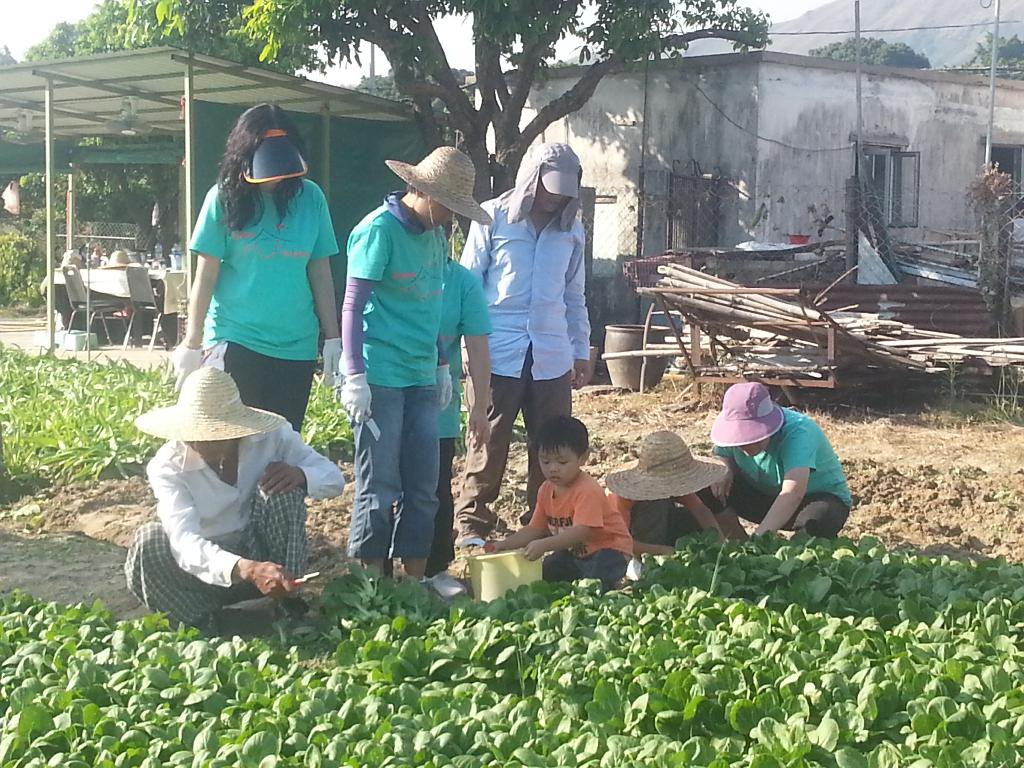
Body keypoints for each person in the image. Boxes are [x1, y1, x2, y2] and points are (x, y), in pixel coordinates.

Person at [337, 146, 491, 581]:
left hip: (423, 376)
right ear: (421, 191)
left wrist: (442, 363)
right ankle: (371, 585)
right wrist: (355, 374)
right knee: (379, 485)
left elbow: (431, 307)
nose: (450, 217)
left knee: (425, 487)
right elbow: (352, 305)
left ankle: (415, 581)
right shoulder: (378, 231)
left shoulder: (437, 237)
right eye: (448, 205)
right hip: (381, 377)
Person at [124, 367, 345, 634]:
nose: (199, 443)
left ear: (234, 431)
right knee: (149, 543)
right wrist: (246, 569)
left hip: (259, 547)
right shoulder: (167, 466)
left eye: (211, 436)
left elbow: (333, 478)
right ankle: (205, 622)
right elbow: (184, 543)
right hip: (206, 565)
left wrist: (300, 474)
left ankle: (286, 604)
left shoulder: (272, 438)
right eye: (193, 435)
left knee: (284, 491)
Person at [170, 104, 342, 433]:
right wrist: (191, 343)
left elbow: (320, 271)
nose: (275, 178)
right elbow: (206, 274)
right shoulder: (222, 198)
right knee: (236, 440)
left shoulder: (311, 199)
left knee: (281, 445)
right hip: (236, 339)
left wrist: (332, 338)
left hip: (296, 345)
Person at [456, 143, 592, 547]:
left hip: (551, 352)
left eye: (565, 190)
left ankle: (544, 522)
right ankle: (472, 524)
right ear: (531, 179)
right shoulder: (493, 216)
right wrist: (466, 345)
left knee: (550, 444)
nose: (557, 197)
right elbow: (469, 284)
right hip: (497, 349)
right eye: (551, 187)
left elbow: (574, 294)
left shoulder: (572, 230)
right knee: (489, 438)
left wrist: (581, 348)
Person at [491, 416, 632, 590]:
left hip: (609, 550)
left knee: (597, 578)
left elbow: (581, 532)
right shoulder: (545, 490)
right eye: (545, 461)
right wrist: (505, 545)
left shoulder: (587, 490)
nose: (553, 468)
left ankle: (617, 581)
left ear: (583, 458)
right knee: (548, 570)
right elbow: (535, 529)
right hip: (576, 552)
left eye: (562, 462)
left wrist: (545, 545)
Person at [423, 256, 493, 597]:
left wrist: (479, 406)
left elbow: (478, 346)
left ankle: (434, 569)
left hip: (439, 402)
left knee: (436, 486)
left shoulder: (462, 282)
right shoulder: (393, 268)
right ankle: (382, 572)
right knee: (387, 487)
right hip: (390, 391)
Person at [704, 382, 851, 539]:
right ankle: (739, 547)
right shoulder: (732, 428)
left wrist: (759, 537)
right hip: (763, 496)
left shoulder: (798, 431)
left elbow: (793, 492)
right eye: (739, 440)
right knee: (709, 487)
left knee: (819, 520)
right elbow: (722, 455)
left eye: (752, 438)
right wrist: (725, 469)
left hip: (813, 500)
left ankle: (793, 554)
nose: (744, 446)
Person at [605, 431, 729, 557]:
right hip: (625, 544)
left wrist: (720, 541)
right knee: (654, 507)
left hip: (663, 529)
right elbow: (618, 542)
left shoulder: (676, 482)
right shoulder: (622, 494)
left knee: (691, 518)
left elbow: (700, 510)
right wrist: (663, 551)